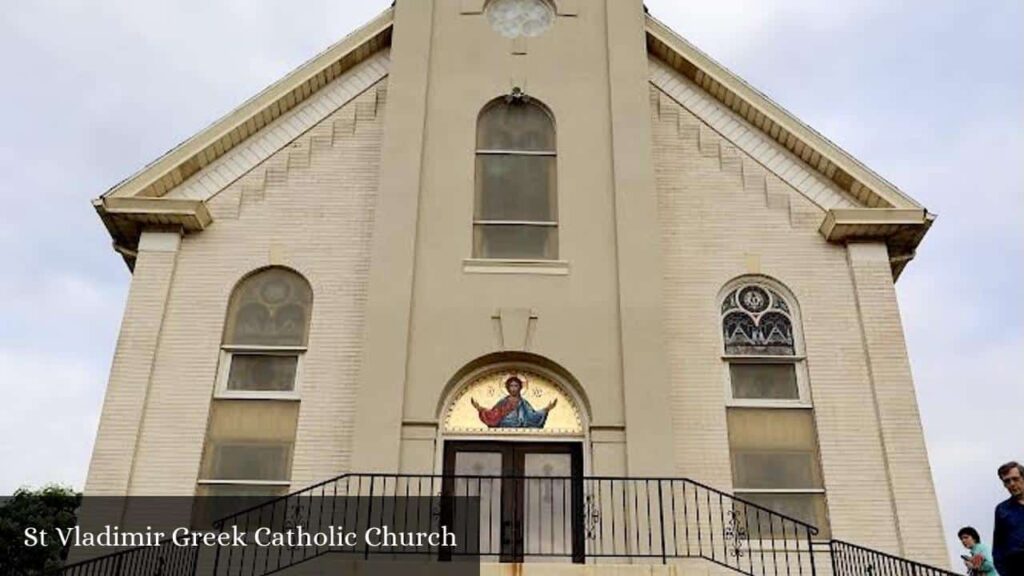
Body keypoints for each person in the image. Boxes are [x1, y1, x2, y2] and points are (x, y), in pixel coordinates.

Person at [471, 375, 557, 429]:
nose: (513, 388)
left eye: (516, 386)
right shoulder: (503, 402)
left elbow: (531, 416)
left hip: (520, 425)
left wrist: (546, 409)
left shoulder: (523, 403)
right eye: (511, 386)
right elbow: (494, 414)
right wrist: (480, 408)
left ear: (520, 388)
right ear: (507, 388)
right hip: (503, 426)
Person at [993, 461, 1024, 575]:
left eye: (1015, 479)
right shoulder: (1002, 510)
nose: (1012, 484)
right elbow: (998, 547)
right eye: (1007, 481)